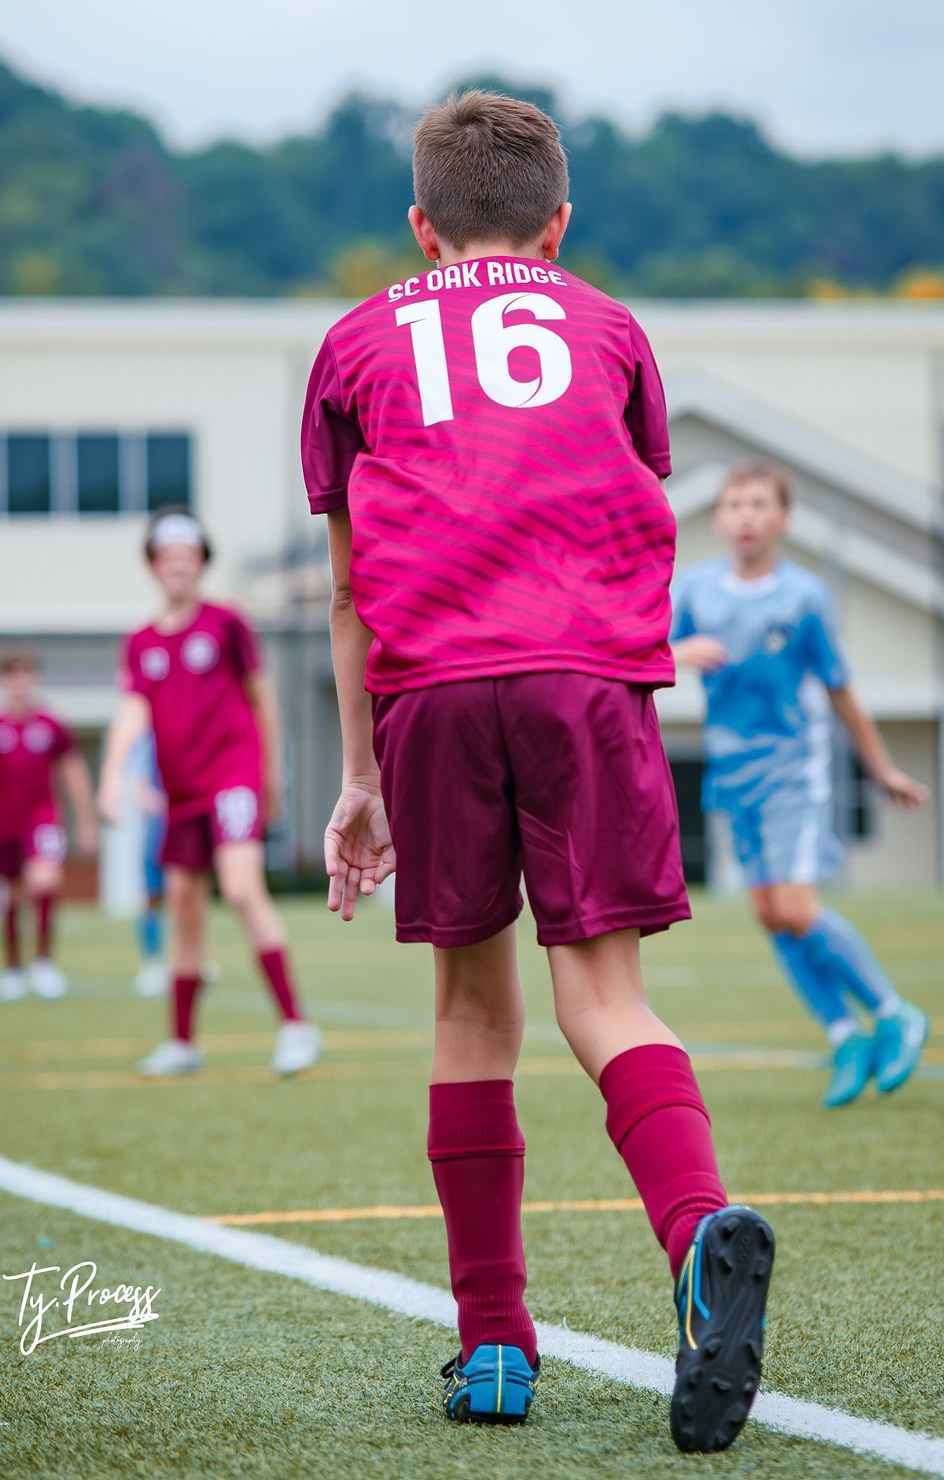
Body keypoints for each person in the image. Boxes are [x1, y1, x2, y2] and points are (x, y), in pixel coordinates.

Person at [300, 90, 773, 1454]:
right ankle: (695, 1236)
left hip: (434, 683)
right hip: (586, 680)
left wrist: (357, 780)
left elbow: (347, 592)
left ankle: (496, 1347)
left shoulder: (352, 341)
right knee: (608, 996)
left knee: (469, 1012)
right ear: (559, 223)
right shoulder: (614, 328)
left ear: (417, 223)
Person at [670, 461, 930, 1108]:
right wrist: (676, 654)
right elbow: (645, 650)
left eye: (760, 504)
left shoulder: (805, 597)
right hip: (732, 772)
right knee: (769, 915)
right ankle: (845, 1035)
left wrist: (881, 768)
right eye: (733, 504)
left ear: (784, 519)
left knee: (794, 905)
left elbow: (841, 689)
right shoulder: (696, 591)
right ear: (721, 518)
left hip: (794, 766)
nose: (745, 516)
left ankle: (895, 1013)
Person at [97, 508, 321, 1078]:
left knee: (243, 889)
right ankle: (182, 1041)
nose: (179, 564)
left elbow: (264, 702)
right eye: (168, 556)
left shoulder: (227, 623)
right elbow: (132, 712)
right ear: (153, 565)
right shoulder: (141, 641)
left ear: (201, 563)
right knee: (184, 909)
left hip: (232, 779)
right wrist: (112, 777)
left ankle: (296, 1025)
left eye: (189, 555)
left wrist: (272, 778)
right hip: (180, 793)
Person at [0, 649, 97, 1000]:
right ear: (1, 681)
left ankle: (44, 964)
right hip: (3, 823)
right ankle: (12, 969)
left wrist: (86, 822)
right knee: (11, 896)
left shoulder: (51, 725)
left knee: (45, 880)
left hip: (43, 819)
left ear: (35, 678)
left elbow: (73, 771)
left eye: (25, 673)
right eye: (11, 674)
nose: (18, 682)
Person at [129, 730, 168, 997]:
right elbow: (140, 785)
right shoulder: (150, 740)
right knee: (153, 896)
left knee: (188, 894)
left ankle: (188, 961)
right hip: (161, 828)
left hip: (189, 824)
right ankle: (152, 962)